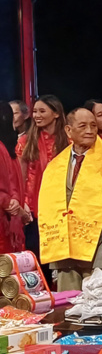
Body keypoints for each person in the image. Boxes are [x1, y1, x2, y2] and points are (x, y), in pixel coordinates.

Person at [38, 108, 102, 291]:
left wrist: (87, 236)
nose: (90, 131)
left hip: (101, 248)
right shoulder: (55, 165)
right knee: (69, 304)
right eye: (83, 126)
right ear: (69, 130)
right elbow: (49, 209)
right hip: (66, 252)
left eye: (93, 126)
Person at [17, 95, 67, 271]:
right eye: (35, 111)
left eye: (42, 111)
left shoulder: (68, 139)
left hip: (62, 206)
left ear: (56, 113)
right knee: (36, 255)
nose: (37, 115)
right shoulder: (26, 141)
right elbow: (20, 176)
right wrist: (23, 202)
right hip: (34, 207)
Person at [0, 103, 24, 253]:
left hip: (7, 217)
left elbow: (11, 180)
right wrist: (9, 201)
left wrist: (14, 200)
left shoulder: (6, 148)